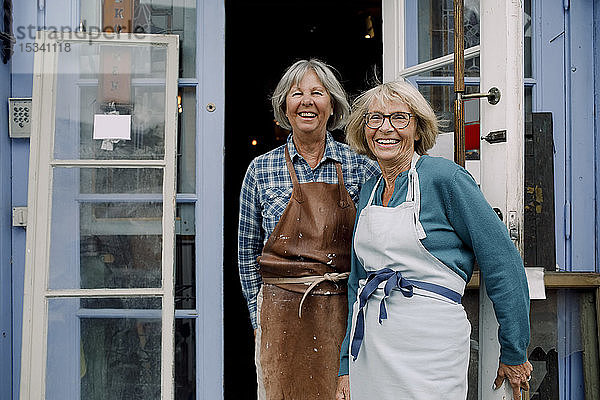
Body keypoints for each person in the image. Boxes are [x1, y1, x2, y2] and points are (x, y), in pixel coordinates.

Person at [335, 80, 532, 400]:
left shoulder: (445, 178)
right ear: (364, 130)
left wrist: (514, 350)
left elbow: (502, 263)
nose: (386, 128)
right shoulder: (369, 190)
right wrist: (346, 363)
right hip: (371, 349)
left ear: (417, 128)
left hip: (431, 349)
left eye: (399, 118)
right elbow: (357, 283)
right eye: (375, 118)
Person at [238, 59, 380, 399]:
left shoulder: (362, 166)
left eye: (317, 93)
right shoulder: (260, 170)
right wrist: (259, 319)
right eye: (296, 93)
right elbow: (247, 252)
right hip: (280, 313)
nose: (306, 101)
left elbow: (378, 245)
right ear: (284, 107)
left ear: (332, 105)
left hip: (345, 311)